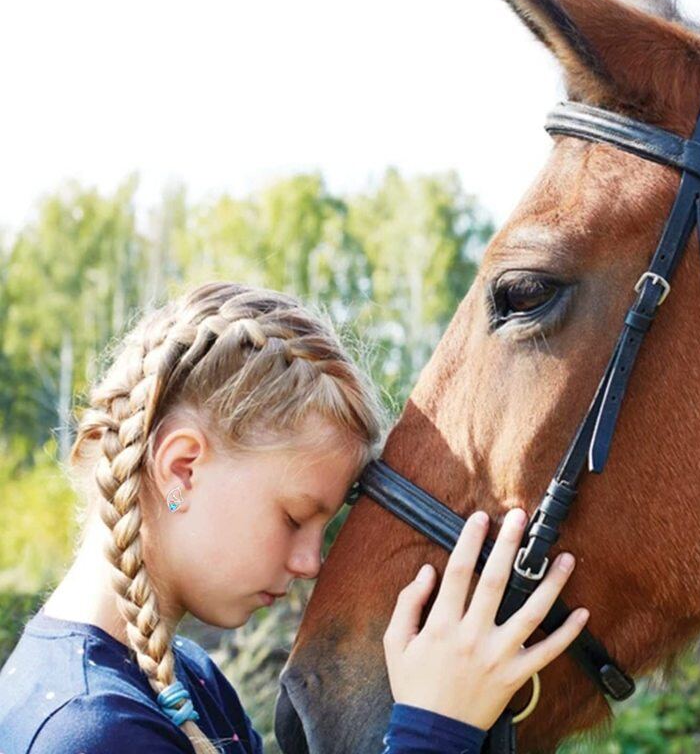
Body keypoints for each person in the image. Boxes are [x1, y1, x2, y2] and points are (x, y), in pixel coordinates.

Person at [0, 281, 588, 754]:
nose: (311, 563)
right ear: (181, 468)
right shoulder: (89, 731)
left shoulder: (188, 681)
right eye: (294, 517)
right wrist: (434, 732)